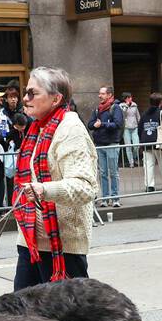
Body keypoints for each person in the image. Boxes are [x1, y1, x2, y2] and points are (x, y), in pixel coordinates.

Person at [12, 66, 97, 287]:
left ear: (56, 98)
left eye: (33, 93)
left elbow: (85, 186)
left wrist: (43, 189)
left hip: (63, 246)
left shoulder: (71, 129)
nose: (25, 98)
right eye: (26, 92)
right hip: (31, 242)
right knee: (22, 316)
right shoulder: (36, 129)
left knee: (68, 319)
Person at [88, 85, 124, 208]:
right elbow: (90, 124)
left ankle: (115, 198)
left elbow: (118, 124)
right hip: (99, 144)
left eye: (102, 93)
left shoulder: (116, 108)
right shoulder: (97, 109)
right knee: (103, 173)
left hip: (112, 143)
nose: (99, 96)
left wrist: (102, 124)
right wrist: (96, 125)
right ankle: (105, 198)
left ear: (109, 95)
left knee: (113, 172)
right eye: (99, 93)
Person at [138, 91, 162, 192]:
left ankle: (149, 186)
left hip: (146, 142)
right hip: (159, 143)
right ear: (161, 102)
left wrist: (141, 140)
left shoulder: (144, 114)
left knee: (148, 165)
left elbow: (140, 128)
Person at [121, 92, 141, 168]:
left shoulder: (134, 105)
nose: (130, 99)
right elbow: (123, 114)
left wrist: (139, 123)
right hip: (126, 128)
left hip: (134, 127)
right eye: (128, 98)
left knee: (136, 145)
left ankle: (135, 158)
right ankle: (131, 162)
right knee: (128, 146)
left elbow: (138, 116)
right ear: (125, 99)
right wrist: (126, 105)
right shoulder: (121, 106)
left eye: (130, 97)